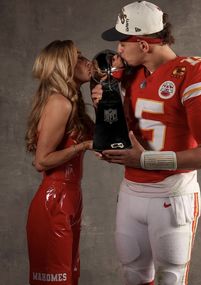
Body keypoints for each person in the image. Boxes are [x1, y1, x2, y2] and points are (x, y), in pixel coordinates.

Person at [91, 1, 201, 285]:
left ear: (143, 44)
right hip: (130, 191)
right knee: (133, 275)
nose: (118, 49)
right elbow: (117, 127)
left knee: (170, 279)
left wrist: (145, 160)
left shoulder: (193, 72)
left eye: (122, 42)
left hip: (172, 194)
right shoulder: (128, 74)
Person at [25, 40, 93, 285]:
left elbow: (107, 139)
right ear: (65, 66)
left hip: (71, 197)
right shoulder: (60, 103)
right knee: (56, 281)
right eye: (79, 57)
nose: (87, 61)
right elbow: (41, 161)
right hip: (54, 199)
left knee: (70, 277)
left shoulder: (74, 105)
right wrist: (83, 146)